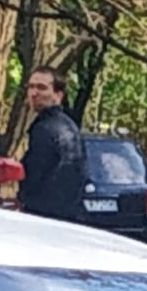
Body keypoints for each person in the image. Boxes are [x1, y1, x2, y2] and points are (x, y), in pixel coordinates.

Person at [20, 66, 87, 223]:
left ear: (58, 95)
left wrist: (24, 199)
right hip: (67, 213)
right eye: (31, 87)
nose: (34, 93)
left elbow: (36, 173)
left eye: (42, 88)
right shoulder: (69, 125)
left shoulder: (44, 128)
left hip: (44, 214)